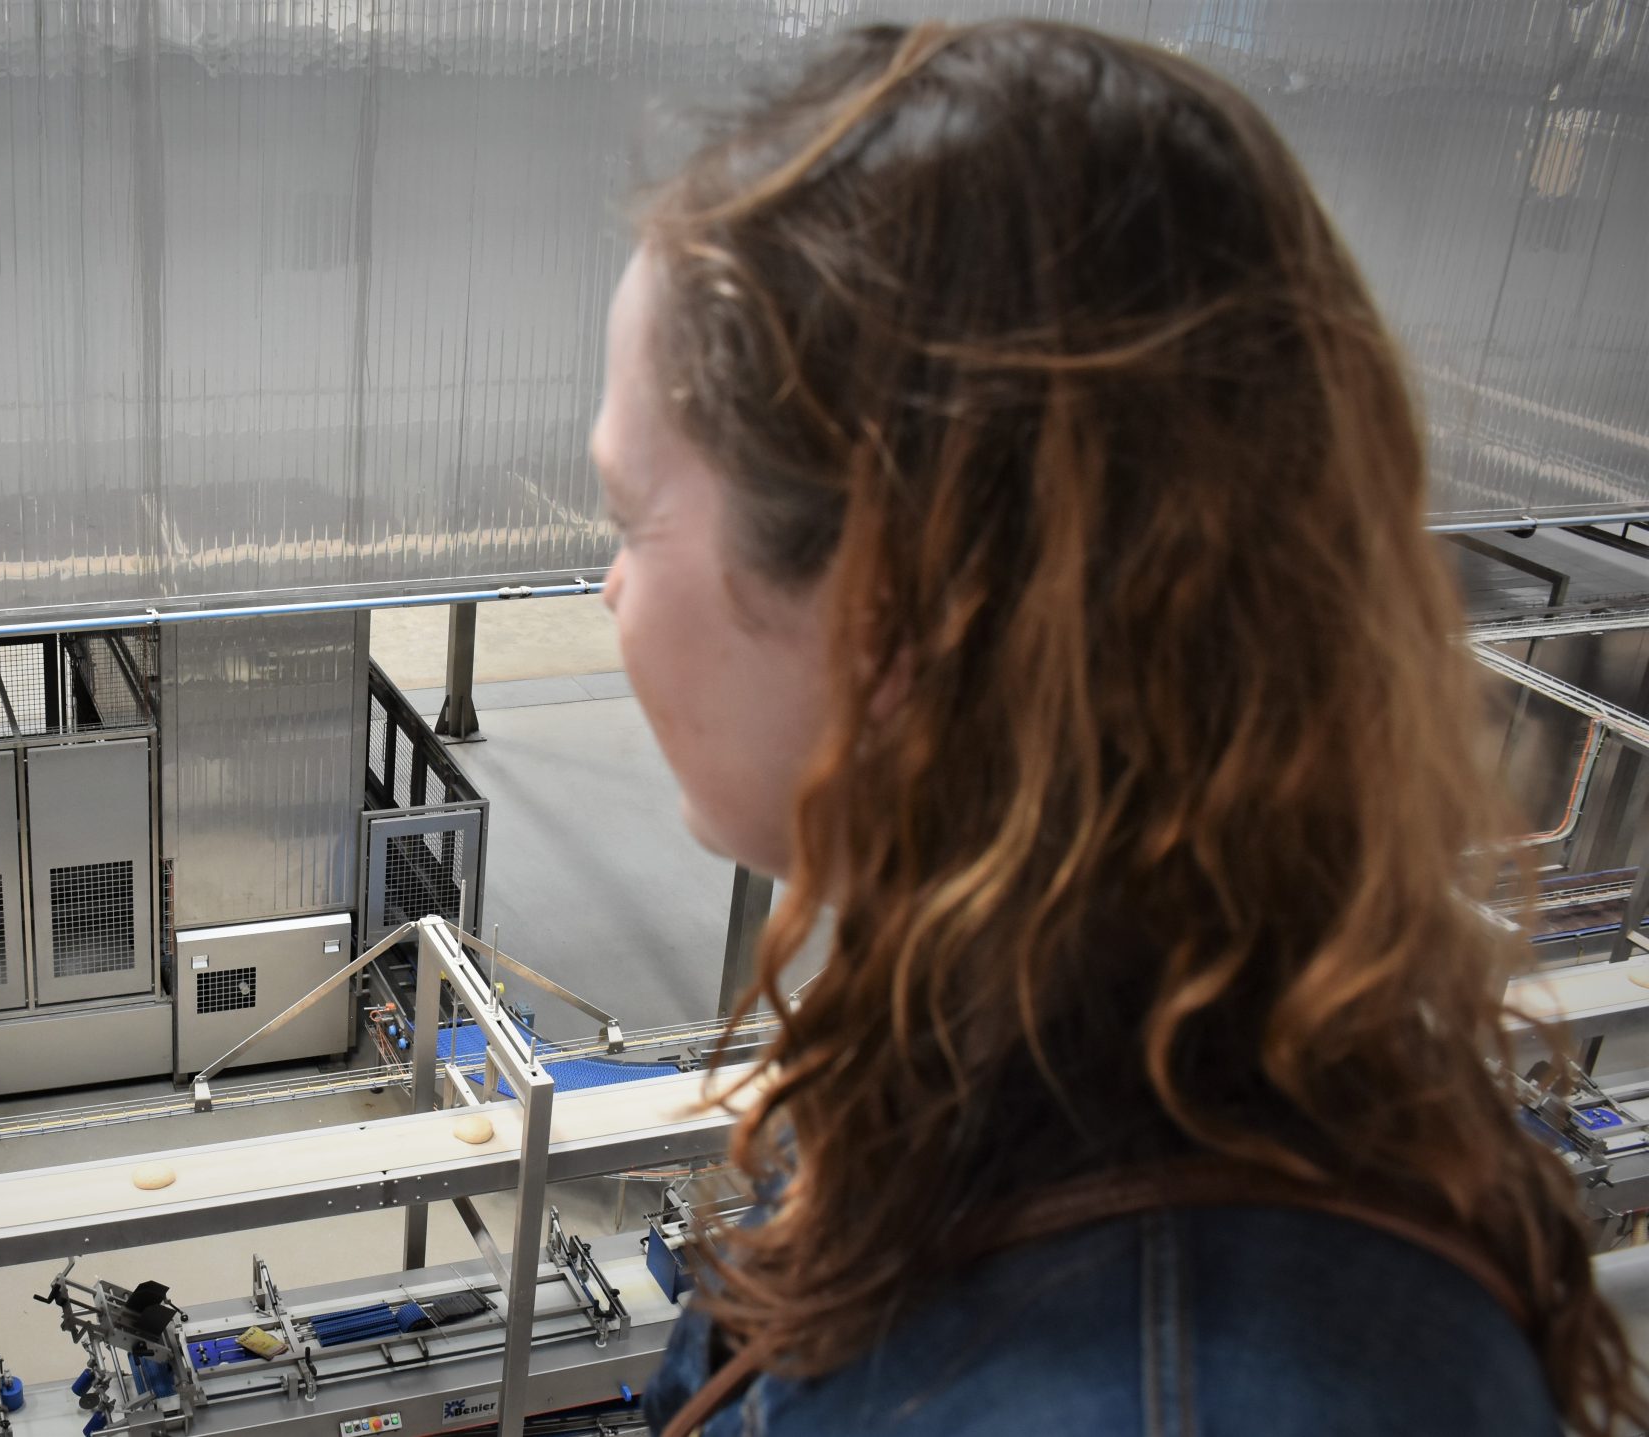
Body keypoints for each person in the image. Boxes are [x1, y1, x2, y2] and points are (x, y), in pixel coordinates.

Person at [592, 18, 1644, 1437]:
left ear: (900, 603)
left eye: (627, 516)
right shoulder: (1088, 1053)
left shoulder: (1170, 1394)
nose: (608, 589)